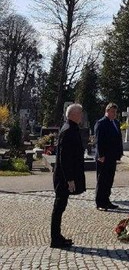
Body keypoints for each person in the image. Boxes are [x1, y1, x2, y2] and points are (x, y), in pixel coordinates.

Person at [51, 103, 86, 248]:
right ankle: (55, 239)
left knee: (61, 206)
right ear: (73, 115)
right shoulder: (68, 131)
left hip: (65, 177)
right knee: (59, 207)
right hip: (63, 178)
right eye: (80, 113)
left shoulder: (71, 128)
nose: (82, 115)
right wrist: (70, 180)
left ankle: (57, 237)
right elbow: (64, 159)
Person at [94, 103, 123, 211]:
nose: (114, 114)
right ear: (107, 111)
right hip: (103, 157)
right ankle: (100, 202)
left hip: (112, 156)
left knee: (109, 180)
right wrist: (100, 155)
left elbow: (118, 139)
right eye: (112, 112)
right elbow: (99, 140)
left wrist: (119, 153)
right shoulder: (101, 123)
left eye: (115, 112)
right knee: (102, 180)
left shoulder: (116, 122)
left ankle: (106, 200)